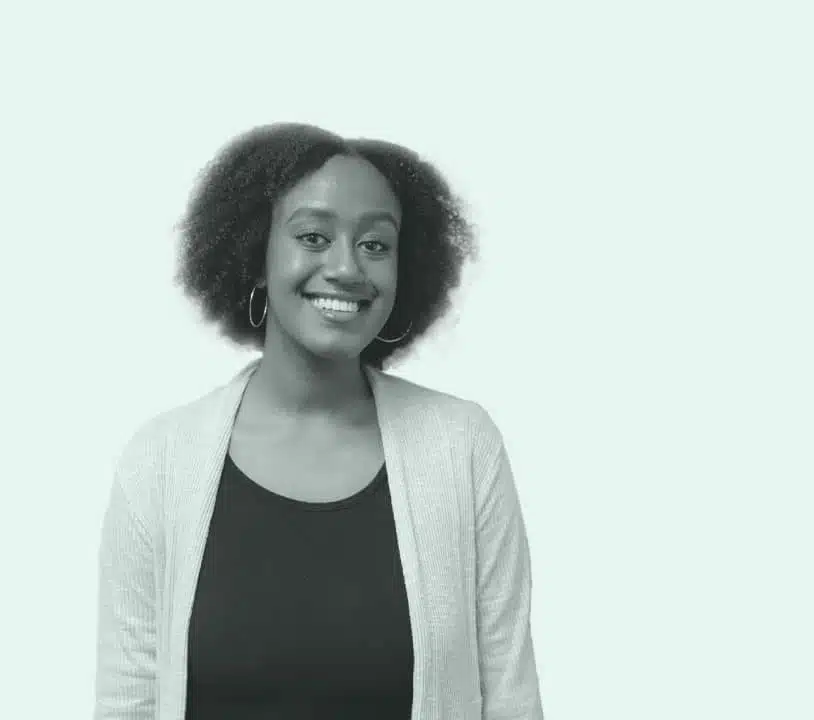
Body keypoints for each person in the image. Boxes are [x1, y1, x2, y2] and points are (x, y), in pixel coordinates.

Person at [94, 123, 544, 720]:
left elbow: (510, 697)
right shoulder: (159, 463)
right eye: (312, 236)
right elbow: (129, 700)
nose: (347, 268)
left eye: (375, 245)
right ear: (255, 254)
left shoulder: (462, 449)